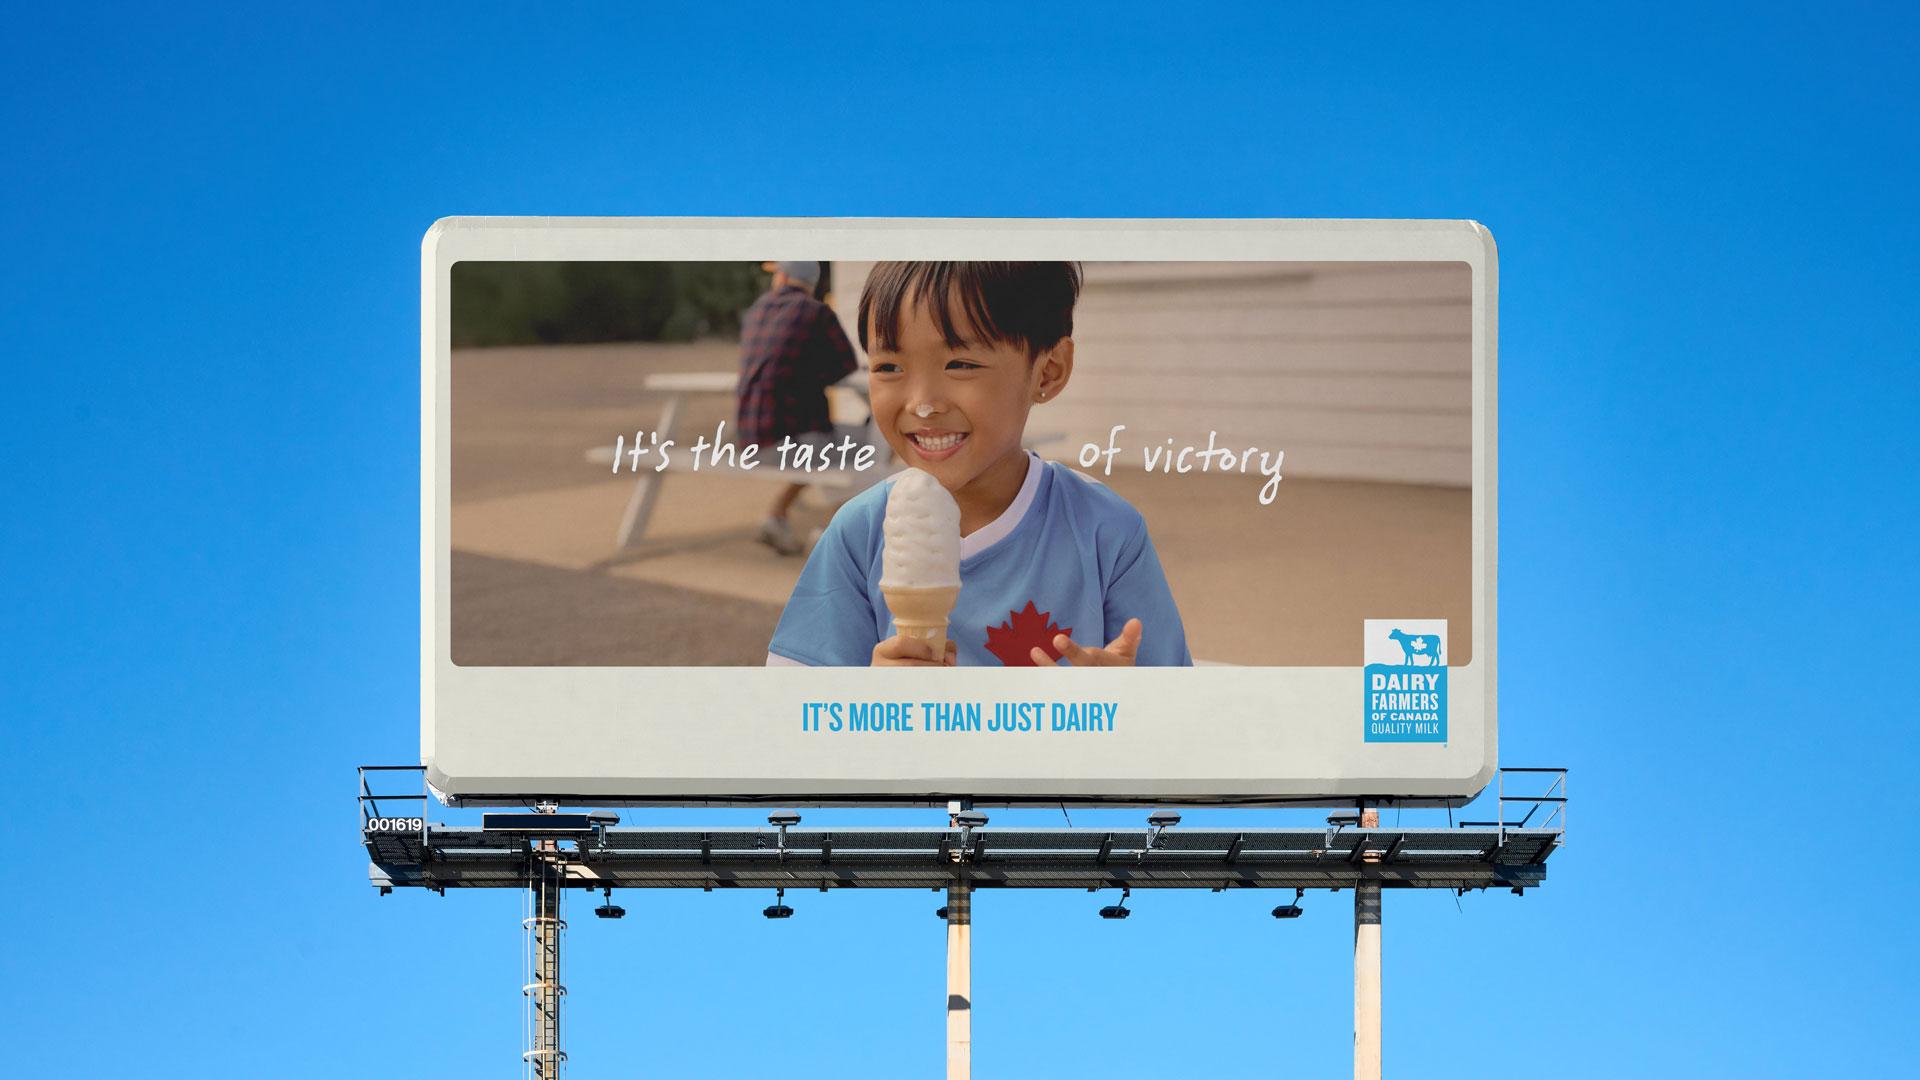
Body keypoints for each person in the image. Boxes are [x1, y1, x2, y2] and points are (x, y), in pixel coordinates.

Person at [765, 261, 1192, 667]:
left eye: (961, 364)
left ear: (1048, 372)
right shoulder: (859, 534)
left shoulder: (1106, 531)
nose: (923, 404)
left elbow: (1181, 717)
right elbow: (798, 715)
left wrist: (1128, 705)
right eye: (890, 366)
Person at [735, 260, 859, 554]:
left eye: (776, 273)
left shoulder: (757, 310)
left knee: (824, 447)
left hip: (750, 438)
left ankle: (776, 516)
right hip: (793, 439)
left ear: (785, 277)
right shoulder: (816, 312)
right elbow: (847, 365)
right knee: (869, 447)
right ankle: (830, 534)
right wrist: (811, 372)